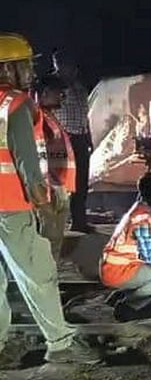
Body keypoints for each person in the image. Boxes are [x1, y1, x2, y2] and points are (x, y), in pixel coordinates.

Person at [0, 33, 99, 364]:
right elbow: (25, 157)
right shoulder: (16, 103)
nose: (30, 71)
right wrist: (42, 200)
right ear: (9, 68)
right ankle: (61, 343)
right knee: (39, 273)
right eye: (25, 65)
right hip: (11, 204)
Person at [99, 171, 151, 322]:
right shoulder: (142, 218)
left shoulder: (140, 210)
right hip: (118, 270)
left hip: (116, 267)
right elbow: (150, 257)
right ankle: (127, 308)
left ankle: (123, 295)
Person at [31, 74, 77, 263]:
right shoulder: (37, 118)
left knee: (55, 238)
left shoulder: (49, 117)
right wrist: (52, 186)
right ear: (45, 93)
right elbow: (40, 155)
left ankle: (50, 278)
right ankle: (44, 280)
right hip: (52, 189)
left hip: (60, 186)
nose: (62, 98)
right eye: (59, 94)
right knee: (49, 238)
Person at [51, 50, 94, 234]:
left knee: (81, 182)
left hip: (80, 139)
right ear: (57, 65)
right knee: (59, 182)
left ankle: (78, 221)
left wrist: (88, 138)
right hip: (60, 140)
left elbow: (85, 116)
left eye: (73, 65)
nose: (71, 69)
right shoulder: (51, 87)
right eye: (66, 65)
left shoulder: (80, 88)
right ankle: (55, 222)